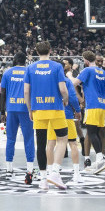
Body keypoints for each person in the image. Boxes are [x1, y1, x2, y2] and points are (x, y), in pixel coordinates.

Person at [24, 41, 70, 190]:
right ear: (50, 50)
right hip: (55, 108)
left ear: (36, 52)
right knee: (62, 139)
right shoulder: (57, 66)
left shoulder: (30, 68)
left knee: (41, 143)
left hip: (38, 109)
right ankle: (55, 172)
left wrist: (30, 109)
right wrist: (66, 99)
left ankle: (43, 179)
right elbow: (63, 89)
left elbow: (26, 92)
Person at [76, 50, 105, 174]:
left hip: (92, 105)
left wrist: (80, 99)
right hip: (103, 106)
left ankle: (100, 159)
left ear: (86, 60)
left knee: (91, 132)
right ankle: (100, 158)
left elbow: (74, 84)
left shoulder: (87, 70)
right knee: (99, 132)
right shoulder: (104, 73)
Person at [1, 52, 38, 183]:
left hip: (11, 109)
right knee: (29, 139)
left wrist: (2, 111)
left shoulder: (7, 72)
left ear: (14, 60)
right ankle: (29, 169)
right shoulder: (30, 71)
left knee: (10, 139)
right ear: (25, 61)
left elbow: (3, 93)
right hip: (26, 109)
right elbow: (32, 91)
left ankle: (9, 169)